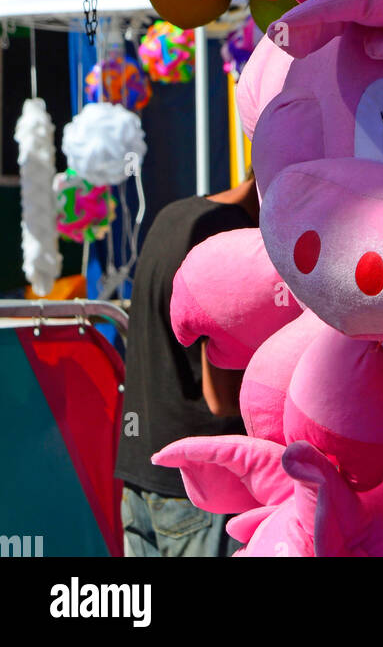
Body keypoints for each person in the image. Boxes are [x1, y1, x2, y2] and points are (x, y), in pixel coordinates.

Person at [115, 171, 259, 557]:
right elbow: (221, 398)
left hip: (141, 476)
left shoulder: (174, 214)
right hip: (199, 490)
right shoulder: (230, 237)